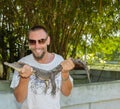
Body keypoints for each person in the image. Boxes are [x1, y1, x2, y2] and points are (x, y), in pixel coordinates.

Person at [10, 25, 75, 109]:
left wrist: (65, 73)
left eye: (41, 41)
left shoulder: (59, 60)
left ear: (48, 40)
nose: (37, 46)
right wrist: (24, 78)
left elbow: (67, 93)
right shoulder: (22, 63)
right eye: (32, 42)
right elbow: (19, 99)